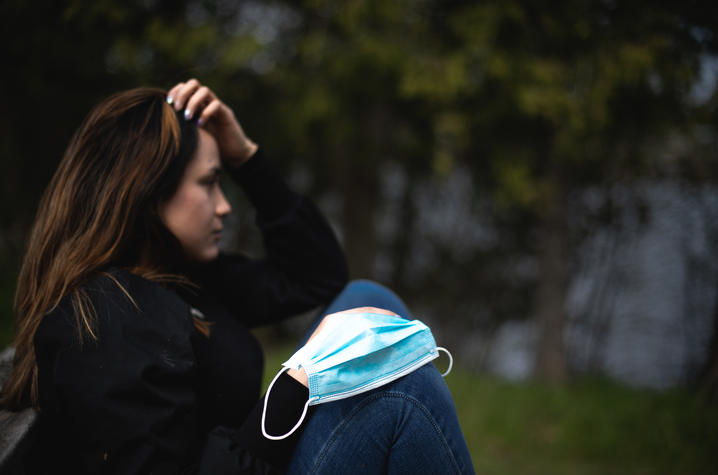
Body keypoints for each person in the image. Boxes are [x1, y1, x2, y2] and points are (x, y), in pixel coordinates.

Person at [0, 79, 474, 474]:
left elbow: (318, 277)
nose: (225, 205)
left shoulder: (179, 277)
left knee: (365, 298)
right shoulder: (110, 318)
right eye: (209, 183)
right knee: (407, 393)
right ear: (148, 191)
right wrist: (296, 383)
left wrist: (245, 156)